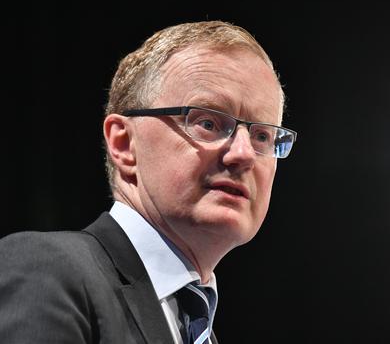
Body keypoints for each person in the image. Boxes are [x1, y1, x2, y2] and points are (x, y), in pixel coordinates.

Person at [0, 20, 297, 343]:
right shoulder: (49, 271)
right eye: (208, 122)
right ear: (124, 144)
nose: (243, 154)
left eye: (263, 136)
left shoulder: (197, 328)